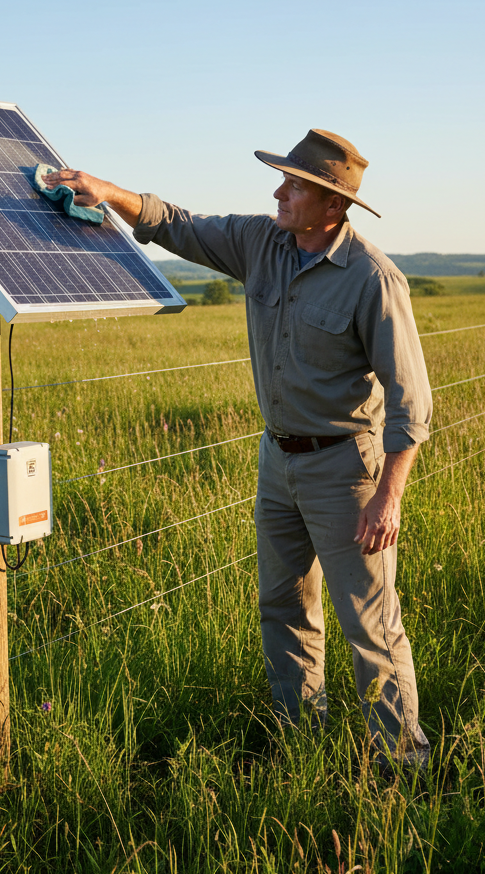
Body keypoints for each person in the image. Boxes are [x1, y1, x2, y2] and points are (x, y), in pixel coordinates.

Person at [43, 129, 431, 772]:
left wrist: (388, 496)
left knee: (370, 623)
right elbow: (180, 225)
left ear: (333, 205)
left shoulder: (372, 279)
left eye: (295, 186)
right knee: (283, 607)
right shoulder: (261, 242)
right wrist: (106, 192)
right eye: (282, 179)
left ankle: (401, 767)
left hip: (347, 471)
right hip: (277, 461)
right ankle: (299, 741)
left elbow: (411, 402)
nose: (279, 192)